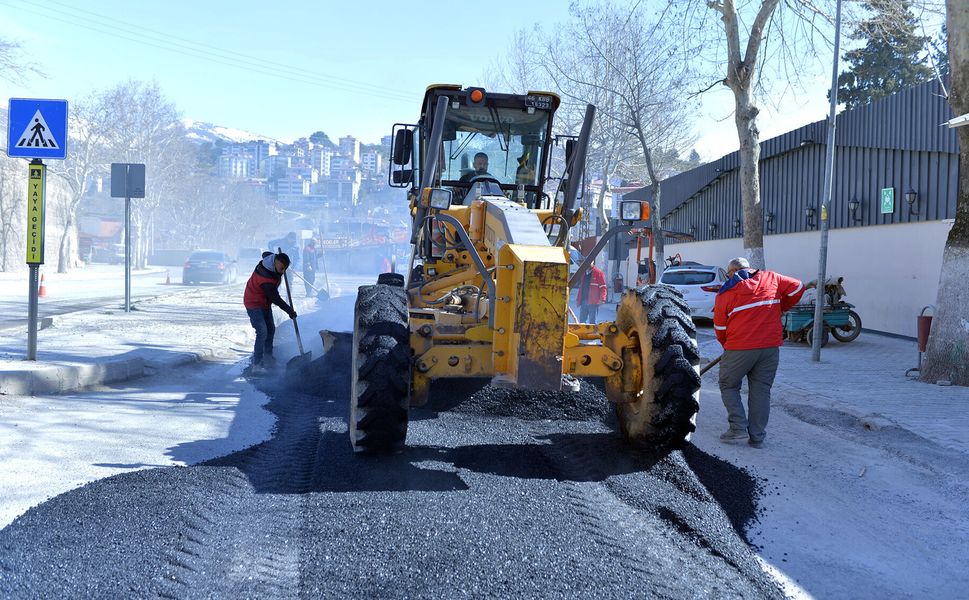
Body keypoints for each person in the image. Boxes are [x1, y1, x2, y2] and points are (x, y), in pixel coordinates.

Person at [713, 257, 813, 448]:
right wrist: (781, 306)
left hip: (739, 348)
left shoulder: (725, 293)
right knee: (761, 390)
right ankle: (757, 437)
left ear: (732, 272)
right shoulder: (771, 278)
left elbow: (719, 327)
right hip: (770, 348)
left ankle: (738, 429)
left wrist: (728, 345)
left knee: (728, 384)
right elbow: (798, 287)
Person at [243, 251, 297, 374]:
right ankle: (257, 364)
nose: (283, 272)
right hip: (253, 303)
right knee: (262, 331)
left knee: (271, 329)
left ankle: (268, 358)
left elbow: (266, 254)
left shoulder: (271, 261)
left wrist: (275, 256)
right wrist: (289, 310)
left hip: (264, 302)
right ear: (276, 262)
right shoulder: (266, 278)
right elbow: (275, 298)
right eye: (282, 268)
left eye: (285, 269)